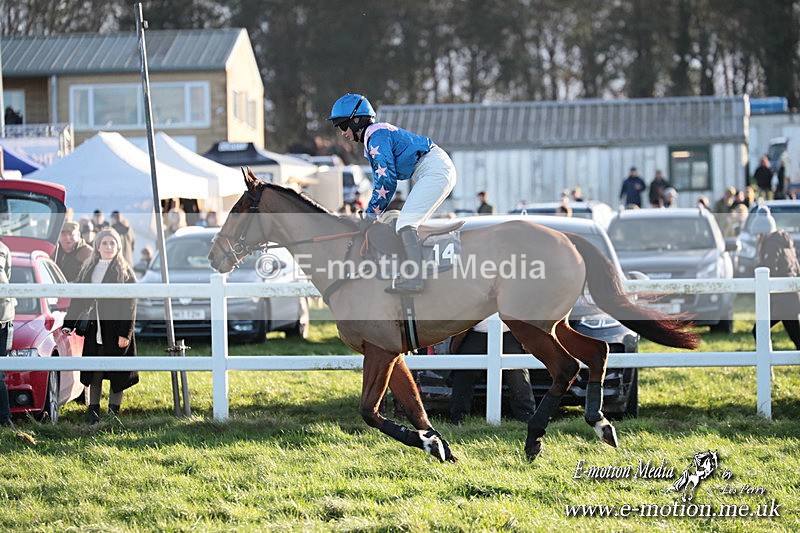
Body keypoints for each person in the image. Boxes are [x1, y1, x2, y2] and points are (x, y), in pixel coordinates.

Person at [328, 93, 457, 294]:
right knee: (402, 222)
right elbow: (385, 182)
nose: (343, 133)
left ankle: (415, 278)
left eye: (343, 126)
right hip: (432, 168)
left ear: (356, 120)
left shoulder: (375, 135)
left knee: (406, 222)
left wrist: (370, 215)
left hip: (435, 169)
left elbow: (386, 181)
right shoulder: (375, 135)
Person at [62, 228, 139, 424]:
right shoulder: (88, 267)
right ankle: (93, 413)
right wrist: (68, 324)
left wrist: (125, 333)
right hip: (95, 328)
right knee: (94, 368)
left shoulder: (124, 271)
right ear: (98, 245)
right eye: (104, 243)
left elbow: (130, 304)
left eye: (112, 243)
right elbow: (78, 298)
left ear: (118, 246)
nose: (108, 246)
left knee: (116, 371)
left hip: (115, 329)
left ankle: (114, 414)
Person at [449, 318, 536, 425]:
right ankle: (458, 419)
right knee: (463, 374)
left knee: (518, 376)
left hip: (509, 333)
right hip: (475, 333)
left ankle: (527, 418)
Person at [749, 206, 800, 349]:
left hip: (782, 301)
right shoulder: (785, 242)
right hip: (791, 297)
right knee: (796, 337)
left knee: (759, 330)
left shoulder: (771, 245)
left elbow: (769, 270)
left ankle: (766, 364)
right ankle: (768, 362)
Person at [0, 238, 17, 428]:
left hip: (3, 319)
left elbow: (7, 279)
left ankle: (5, 419)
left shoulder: (3, 250)